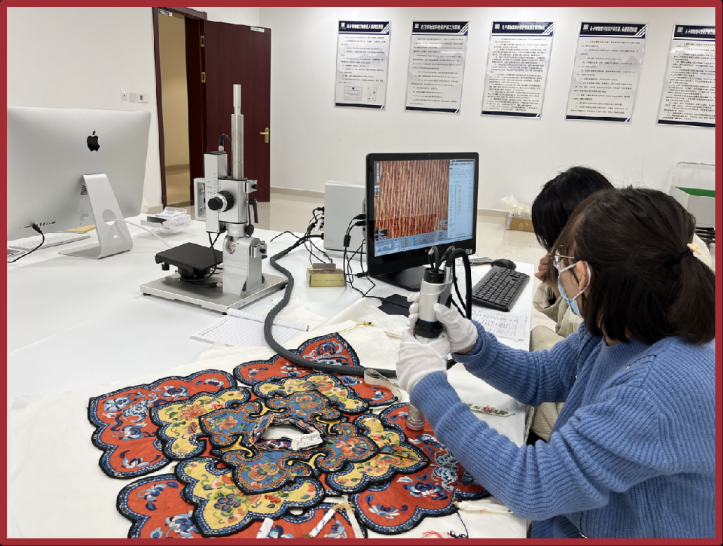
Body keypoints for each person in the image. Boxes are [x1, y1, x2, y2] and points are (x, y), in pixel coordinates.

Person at [398, 187, 715, 538]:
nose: (554, 266)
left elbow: (531, 486)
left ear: (585, 276)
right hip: (570, 520)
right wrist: (472, 343)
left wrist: (428, 386)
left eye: (562, 259)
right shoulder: (620, 325)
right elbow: (542, 377)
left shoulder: (656, 387)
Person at [528, 167, 713, 441]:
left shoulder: (646, 388)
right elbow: (550, 370)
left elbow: (537, 472)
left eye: (560, 251)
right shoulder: (619, 314)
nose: (554, 256)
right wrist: (472, 344)